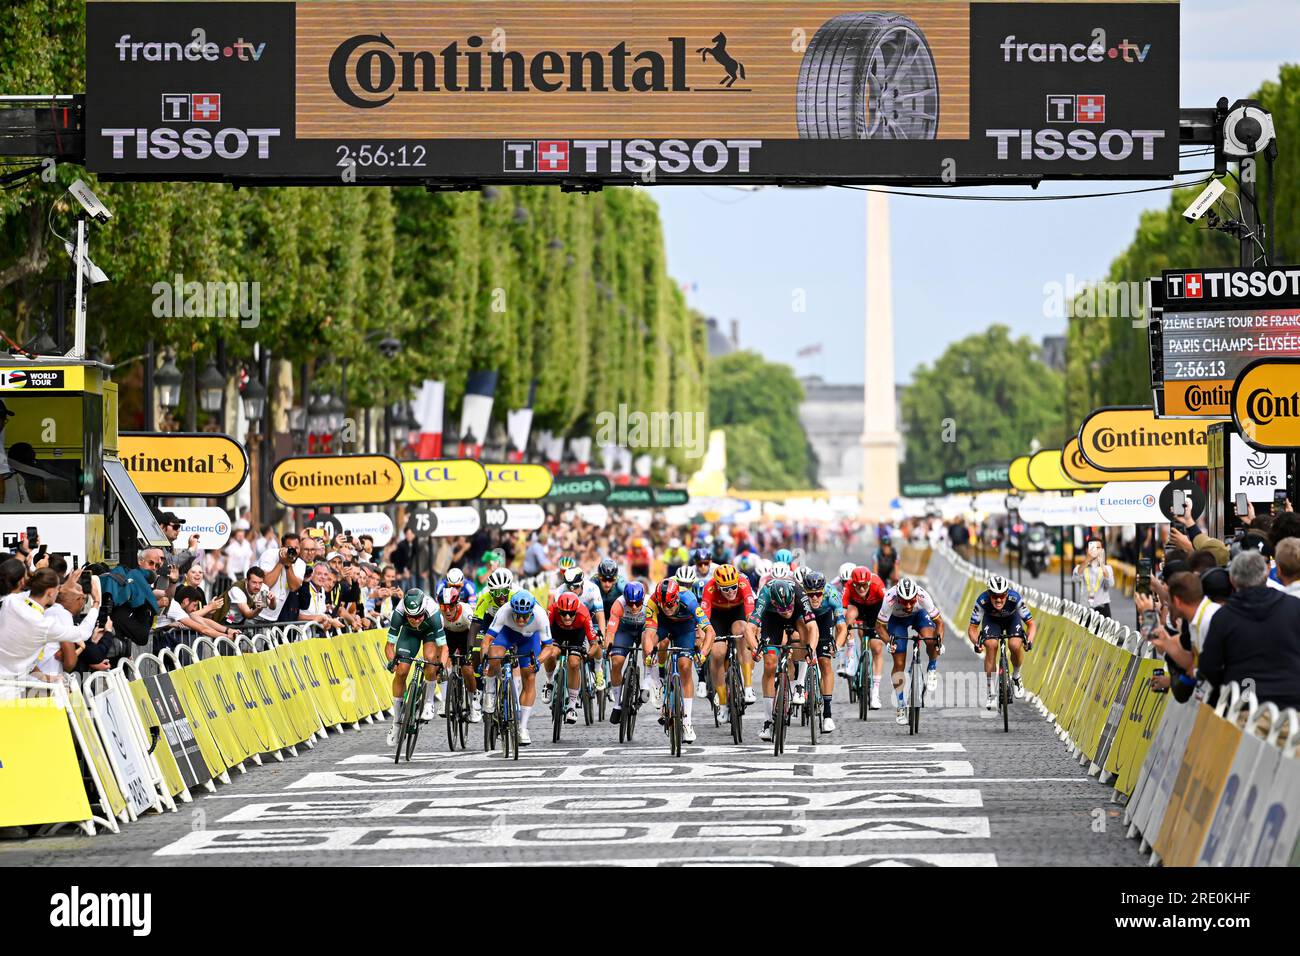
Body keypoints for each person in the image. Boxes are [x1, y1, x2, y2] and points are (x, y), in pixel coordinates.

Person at [1199, 551, 1300, 710]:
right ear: (1266, 573)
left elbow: (1209, 666)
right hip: (1292, 706)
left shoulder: (1224, 617)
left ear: (1232, 580)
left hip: (1244, 707)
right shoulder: (1294, 607)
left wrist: (1229, 685)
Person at [0, 568, 101, 698]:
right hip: (10, 692)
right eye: (57, 590)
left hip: (17, 681)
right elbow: (84, 632)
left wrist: (48, 678)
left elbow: (31, 593)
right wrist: (96, 603)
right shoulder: (43, 625)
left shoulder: (11, 601)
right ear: (50, 592)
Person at [641, 578, 715, 744]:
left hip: (685, 628)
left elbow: (710, 632)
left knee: (685, 667)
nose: (667, 609)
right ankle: (657, 681)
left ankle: (687, 722)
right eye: (663, 605)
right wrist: (648, 654)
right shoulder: (653, 601)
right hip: (663, 626)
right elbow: (649, 634)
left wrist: (703, 653)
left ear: (676, 600)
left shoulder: (688, 600)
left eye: (670, 605)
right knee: (653, 645)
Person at [482, 589, 553, 746]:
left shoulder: (541, 615)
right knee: (494, 656)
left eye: (525, 616)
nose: (521, 620)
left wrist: (539, 661)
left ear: (531, 613)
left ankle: (522, 728)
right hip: (507, 634)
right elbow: (487, 640)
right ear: (512, 611)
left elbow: (549, 647)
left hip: (529, 639)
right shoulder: (504, 611)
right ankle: (490, 690)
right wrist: (485, 660)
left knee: (530, 676)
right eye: (518, 616)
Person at [750, 578, 817, 742]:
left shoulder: (799, 594)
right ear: (773, 601)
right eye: (782, 608)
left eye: (788, 606)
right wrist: (754, 648)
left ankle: (799, 684)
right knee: (770, 664)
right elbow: (749, 628)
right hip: (772, 620)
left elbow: (813, 627)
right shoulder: (765, 594)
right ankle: (767, 721)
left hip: (798, 618)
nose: (786, 611)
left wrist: (811, 650)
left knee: (802, 639)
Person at [877, 577, 945, 725]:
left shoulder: (923, 596)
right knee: (899, 660)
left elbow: (939, 622)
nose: (908, 605)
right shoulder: (889, 598)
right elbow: (879, 627)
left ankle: (932, 668)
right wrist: (889, 642)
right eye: (904, 601)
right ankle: (901, 704)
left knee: (931, 640)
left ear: (916, 596)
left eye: (911, 601)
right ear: (898, 597)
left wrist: (939, 641)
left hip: (918, 617)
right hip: (897, 621)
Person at [384, 588, 447, 746]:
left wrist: (441, 666)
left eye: (419, 616)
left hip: (429, 633)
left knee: (431, 660)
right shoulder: (398, 614)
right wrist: (393, 661)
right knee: (402, 671)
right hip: (409, 634)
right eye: (411, 617)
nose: (416, 620)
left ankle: (428, 702)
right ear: (405, 613)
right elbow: (389, 646)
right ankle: (397, 722)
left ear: (423, 610)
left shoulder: (433, 613)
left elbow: (444, 648)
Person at [967, 573, 1036, 710]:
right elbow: (972, 628)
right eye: (994, 596)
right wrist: (976, 642)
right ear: (988, 594)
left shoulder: (1015, 598)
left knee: (1015, 645)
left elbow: (1031, 624)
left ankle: (1016, 676)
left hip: (1012, 620)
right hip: (991, 621)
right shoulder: (982, 601)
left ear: (1007, 593)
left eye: (1002, 596)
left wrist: (1029, 640)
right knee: (991, 645)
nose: (998, 600)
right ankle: (991, 691)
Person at [700, 563, 757, 718]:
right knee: (718, 654)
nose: (731, 592)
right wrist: (703, 643)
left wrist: (753, 638)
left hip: (737, 613)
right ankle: (723, 703)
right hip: (718, 617)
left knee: (742, 630)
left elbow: (751, 617)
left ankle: (748, 686)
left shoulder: (744, 583)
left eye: (733, 587)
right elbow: (703, 621)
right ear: (718, 586)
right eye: (726, 589)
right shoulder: (709, 589)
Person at [802, 569, 845, 732]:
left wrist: (837, 646)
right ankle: (797, 686)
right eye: (811, 594)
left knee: (825, 662)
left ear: (823, 591)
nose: (814, 598)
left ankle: (827, 715)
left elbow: (841, 627)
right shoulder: (799, 596)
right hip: (805, 620)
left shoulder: (832, 595)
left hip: (824, 619)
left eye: (818, 594)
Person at [841, 566, 887, 709]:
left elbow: (888, 607)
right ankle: (850, 655)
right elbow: (842, 609)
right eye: (858, 586)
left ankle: (875, 693)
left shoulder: (877, 585)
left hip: (875, 609)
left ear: (869, 582)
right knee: (848, 616)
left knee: (877, 648)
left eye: (864, 585)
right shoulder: (848, 586)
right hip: (857, 608)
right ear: (853, 583)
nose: (861, 589)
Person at [434, 584, 480, 723]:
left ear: (457, 604)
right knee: (439, 661)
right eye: (443, 607)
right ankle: (444, 699)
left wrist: (471, 653)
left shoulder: (466, 612)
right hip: (449, 635)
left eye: (451, 607)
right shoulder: (439, 616)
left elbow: (475, 632)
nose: (447, 611)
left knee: (467, 669)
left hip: (467, 635)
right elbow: (439, 641)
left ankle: (473, 704)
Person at [605, 580, 648, 726]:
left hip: (643, 629)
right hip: (625, 631)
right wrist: (608, 646)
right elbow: (610, 631)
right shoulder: (618, 604)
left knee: (648, 648)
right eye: (630, 603)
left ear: (643, 599)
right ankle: (617, 704)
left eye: (637, 603)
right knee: (616, 661)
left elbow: (655, 630)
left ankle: (647, 684)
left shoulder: (650, 603)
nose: (634, 607)